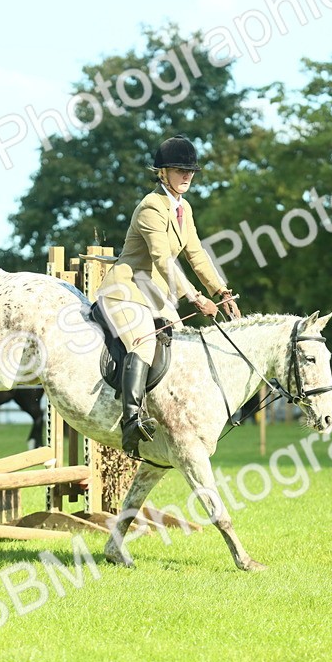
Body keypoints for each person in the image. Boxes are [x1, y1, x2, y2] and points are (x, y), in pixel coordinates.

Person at [95, 134, 239, 456]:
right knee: (145, 342)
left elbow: (196, 254)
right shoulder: (151, 207)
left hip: (153, 293)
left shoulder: (183, 208)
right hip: (125, 290)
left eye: (190, 171)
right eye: (179, 170)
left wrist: (221, 291)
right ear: (162, 173)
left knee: (182, 344)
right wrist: (195, 297)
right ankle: (131, 421)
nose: (187, 176)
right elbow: (162, 259)